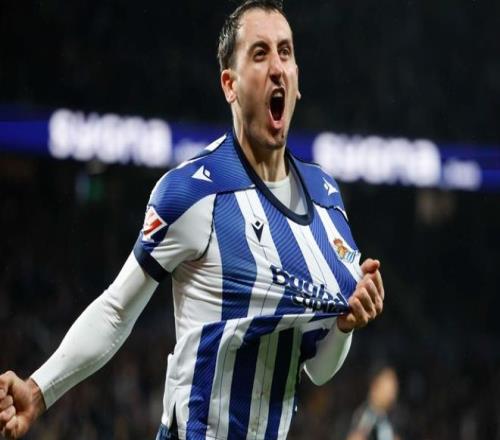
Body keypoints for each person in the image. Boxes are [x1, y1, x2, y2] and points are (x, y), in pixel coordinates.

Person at [0, 1, 385, 439]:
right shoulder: (195, 191)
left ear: (297, 80)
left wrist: (346, 325)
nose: (277, 68)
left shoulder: (326, 196)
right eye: (260, 54)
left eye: (285, 52)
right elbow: (115, 311)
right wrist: (39, 390)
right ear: (230, 84)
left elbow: (317, 368)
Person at [345, 366, 400, 440]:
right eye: (389, 389)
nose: (393, 394)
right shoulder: (365, 417)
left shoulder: (390, 418)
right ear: (375, 386)